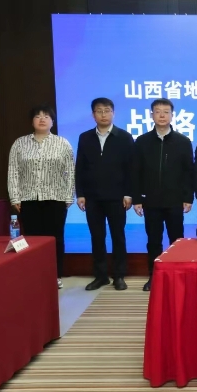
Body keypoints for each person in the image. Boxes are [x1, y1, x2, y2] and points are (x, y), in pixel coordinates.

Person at [7, 105, 74, 289]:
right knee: (32, 239)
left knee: (55, 239)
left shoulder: (62, 143)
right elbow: (13, 172)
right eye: (37, 116)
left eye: (46, 116)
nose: (42, 119)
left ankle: (55, 275)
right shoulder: (20, 144)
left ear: (52, 121)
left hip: (56, 198)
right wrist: (15, 197)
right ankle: (36, 274)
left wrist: (69, 197)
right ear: (32, 121)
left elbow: (70, 172)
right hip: (28, 199)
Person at [132, 99, 195, 292]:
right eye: (157, 111)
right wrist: (137, 199)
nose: (161, 115)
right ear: (151, 115)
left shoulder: (183, 142)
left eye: (166, 112)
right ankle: (154, 276)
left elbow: (189, 172)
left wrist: (188, 197)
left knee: (177, 240)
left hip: (175, 201)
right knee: (153, 241)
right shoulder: (142, 141)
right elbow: (135, 172)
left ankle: (179, 276)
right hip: (150, 201)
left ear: (172, 115)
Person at [75, 98, 134, 291]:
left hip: (117, 197)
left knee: (118, 236)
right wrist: (80, 193)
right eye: (99, 111)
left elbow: (130, 169)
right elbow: (80, 167)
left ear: (113, 113)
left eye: (107, 110)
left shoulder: (124, 137)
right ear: (93, 115)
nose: (103, 114)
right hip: (92, 197)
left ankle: (119, 275)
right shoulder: (85, 137)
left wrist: (128, 193)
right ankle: (100, 276)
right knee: (97, 237)